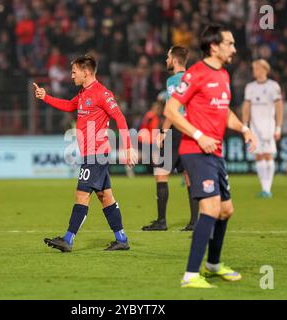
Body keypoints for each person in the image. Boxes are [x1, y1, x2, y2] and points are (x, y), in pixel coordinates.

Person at [164, 25, 257, 288]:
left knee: (226, 210)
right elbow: (171, 111)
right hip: (196, 151)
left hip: (215, 152)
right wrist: (198, 135)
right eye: (230, 43)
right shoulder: (195, 74)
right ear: (214, 46)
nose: (234, 48)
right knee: (211, 208)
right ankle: (190, 275)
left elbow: (224, 111)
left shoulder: (225, 76)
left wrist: (244, 129)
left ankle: (213, 265)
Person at [33, 55, 137, 252]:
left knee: (81, 195)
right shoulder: (82, 93)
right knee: (106, 198)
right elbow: (68, 106)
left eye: (74, 72)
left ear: (86, 72)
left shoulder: (102, 93)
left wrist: (128, 146)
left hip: (96, 155)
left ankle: (68, 239)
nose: (71, 76)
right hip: (91, 154)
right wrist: (45, 97)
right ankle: (121, 239)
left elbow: (120, 118)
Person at [141, 46, 199, 232]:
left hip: (175, 131)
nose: (166, 60)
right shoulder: (193, 78)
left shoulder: (173, 81)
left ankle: (161, 221)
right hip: (191, 130)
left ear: (174, 60)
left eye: (167, 57)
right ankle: (194, 222)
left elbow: (172, 111)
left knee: (161, 173)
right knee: (189, 176)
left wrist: (163, 132)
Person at [242, 59, 284, 198]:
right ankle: (264, 189)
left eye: (257, 68)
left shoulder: (273, 86)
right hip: (255, 125)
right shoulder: (250, 87)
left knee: (268, 155)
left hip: (268, 125)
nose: (254, 71)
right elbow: (246, 107)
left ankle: (268, 188)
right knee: (258, 155)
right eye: (253, 68)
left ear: (264, 69)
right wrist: (245, 126)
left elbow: (279, 108)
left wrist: (278, 127)